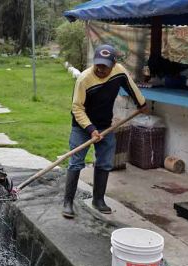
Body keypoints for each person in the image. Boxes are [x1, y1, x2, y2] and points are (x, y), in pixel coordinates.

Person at [63, 44, 148, 218]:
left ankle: (98, 200)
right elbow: (77, 108)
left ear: (113, 63)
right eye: (98, 65)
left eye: (105, 66)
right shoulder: (84, 79)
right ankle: (68, 202)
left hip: (105, 125)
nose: (101, 70)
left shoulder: (119, 71)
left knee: (105, 162)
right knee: (76, 162)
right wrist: (91, 129)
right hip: (82, 126)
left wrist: (142, 104)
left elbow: (131, 87)